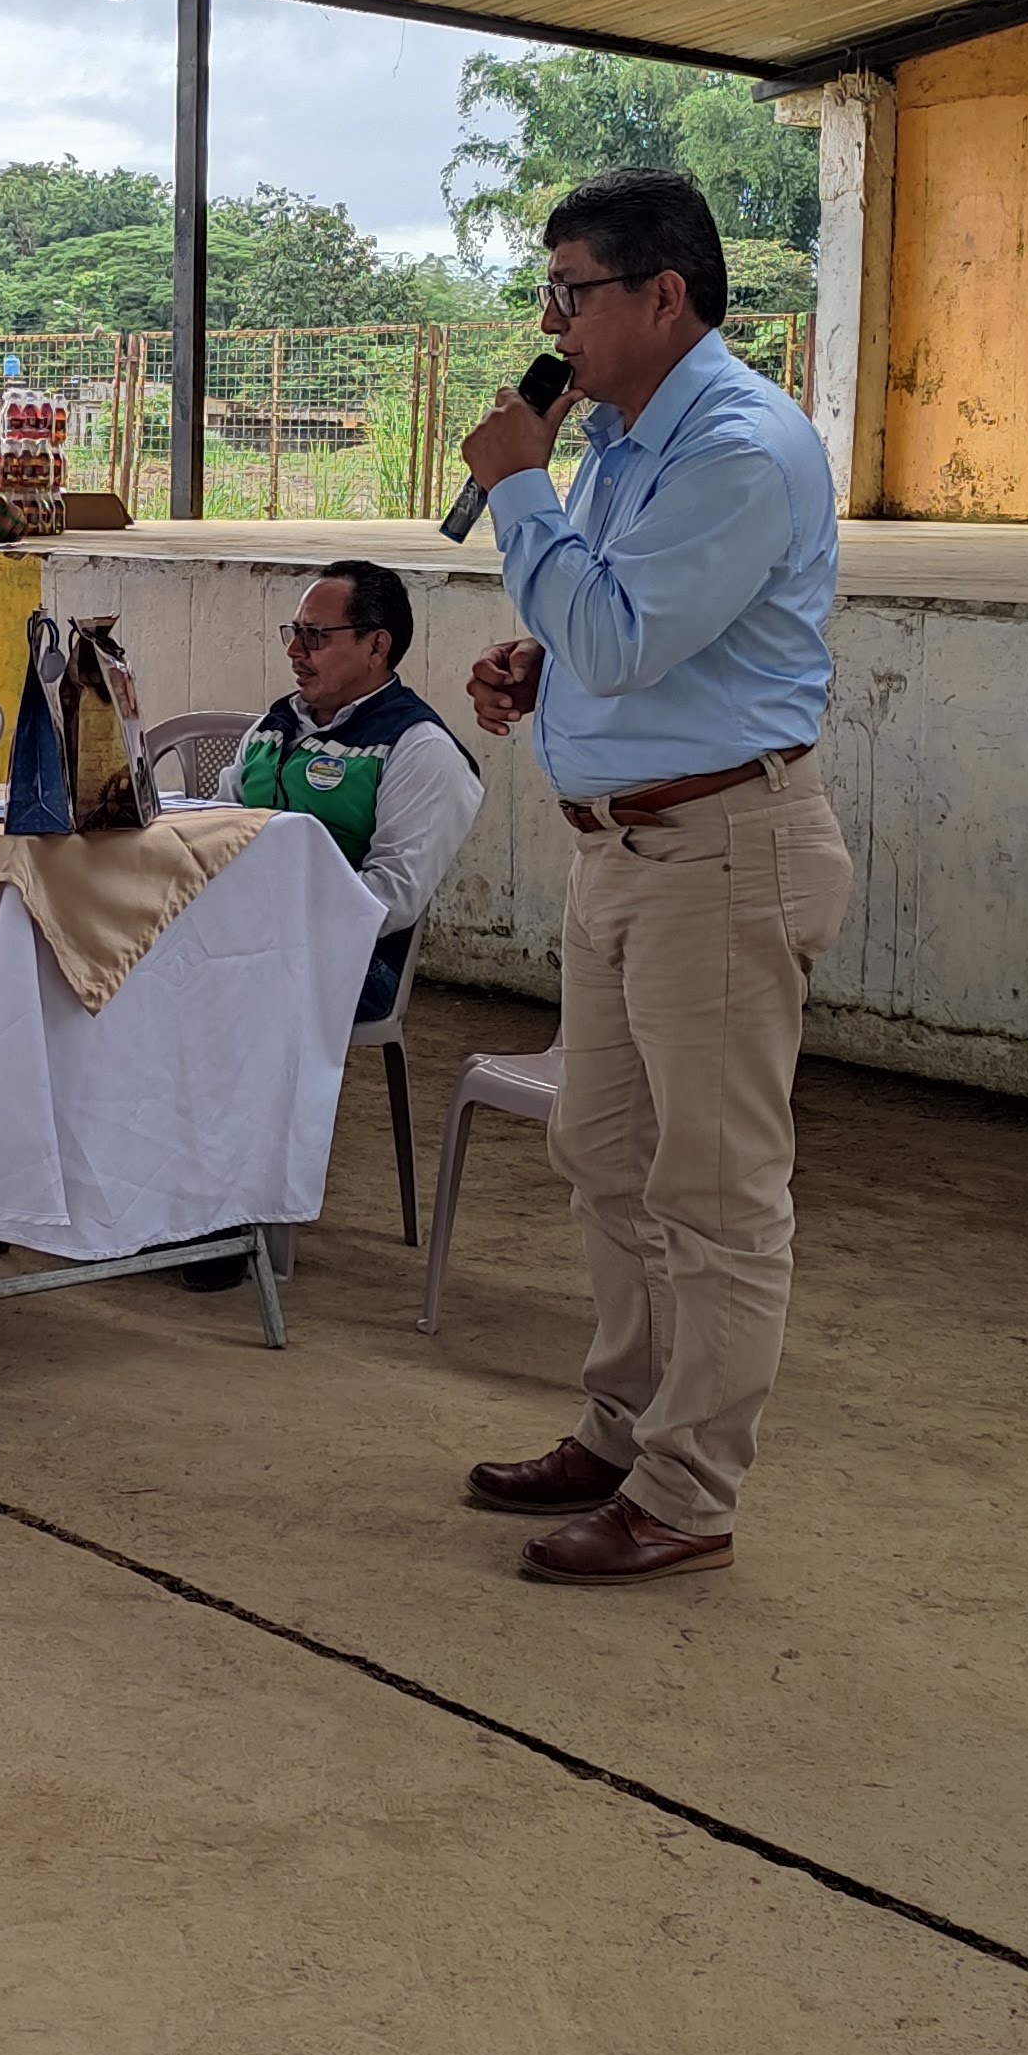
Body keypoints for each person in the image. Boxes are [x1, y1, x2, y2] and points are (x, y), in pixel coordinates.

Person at [451, 166, 852, 1588]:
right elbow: (621, 632)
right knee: (603, 1154)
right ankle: (622, 1430)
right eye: (547, 293)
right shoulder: (626, 440)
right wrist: (539, 666)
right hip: (622, 850)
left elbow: (622, 638)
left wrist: (518, 487)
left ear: (663, 295)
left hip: (723, 856)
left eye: (570, 292)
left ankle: (687, 1490)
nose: (549, 324)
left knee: (717, 1189)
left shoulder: (739, 447)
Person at [226, 560, 483, 1029]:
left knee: (199, 986)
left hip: (358, 962)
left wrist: (266, 916)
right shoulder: (272, 729)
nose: (294, 651)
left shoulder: (418, 748)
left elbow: (390, 899)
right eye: (294, 632)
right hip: (247, 938)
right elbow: (217, 834)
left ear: (377, 646)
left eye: (315, 636)